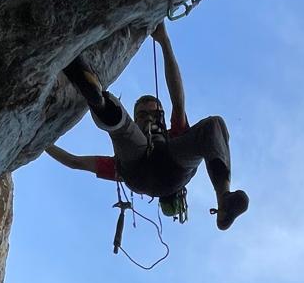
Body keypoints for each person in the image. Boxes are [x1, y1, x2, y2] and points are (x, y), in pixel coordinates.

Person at [46, 21, 250, 230]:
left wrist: (165, 43)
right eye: (144, 114)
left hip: (151, 171)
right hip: (162, 172)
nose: (150, 118)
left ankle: (224, 198)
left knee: (213, 126)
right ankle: (100, 100)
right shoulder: (162, 138)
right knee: (123, 127)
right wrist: (40, 143)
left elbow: (74, 162)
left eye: (153, 113)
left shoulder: (171, 137)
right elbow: (73, 161)